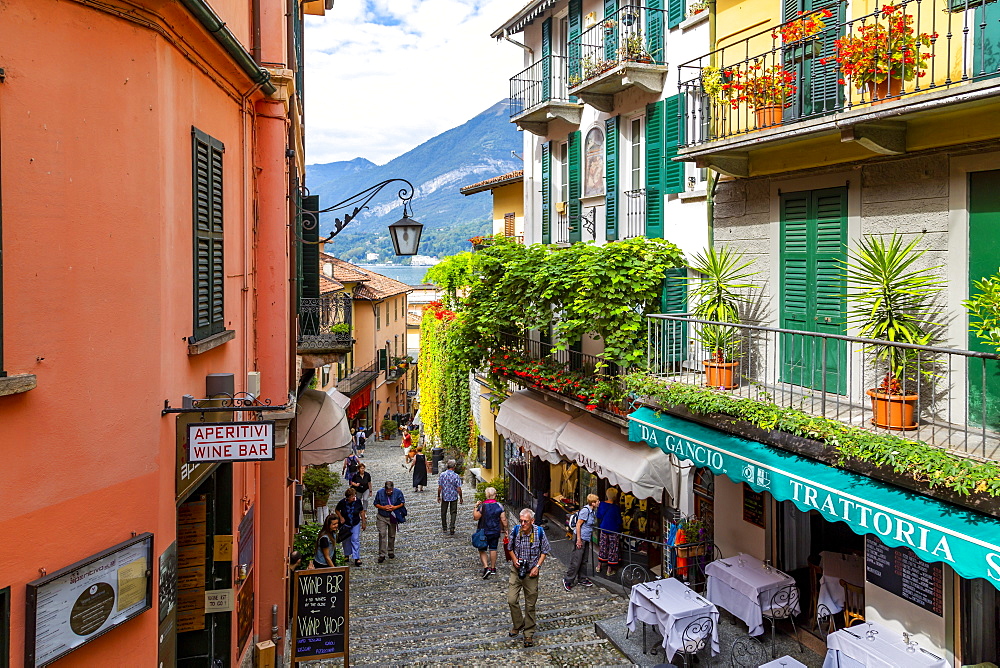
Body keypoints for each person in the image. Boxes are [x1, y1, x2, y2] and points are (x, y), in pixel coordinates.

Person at [507, 508, 550, 648]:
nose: (523, 523)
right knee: (512, 599)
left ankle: (528, 634)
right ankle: (518, 624)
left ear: (532, 521)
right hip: (517, 570)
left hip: (531, 572)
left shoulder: (539, 533)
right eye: (521, 521)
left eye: (525, 521)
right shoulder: (516, 530)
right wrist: (514, 560)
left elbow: (545, 551)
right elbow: (509, 547)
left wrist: (537, 566)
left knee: (530, 604)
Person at [563, 493, 599, 590]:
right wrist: (578, 540)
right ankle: (568, 579)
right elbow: (578, 525)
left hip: (586, 537)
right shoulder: (585, 511)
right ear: (593, 503)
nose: (599, 502)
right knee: (576, 559)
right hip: (581, 537)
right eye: (597, 501)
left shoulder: (592, 511)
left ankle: (582, 578)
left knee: (584, 559)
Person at [473, 487, 508, 578]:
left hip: (484, 531)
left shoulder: (483, 506)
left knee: (482, 549)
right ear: (495, 495)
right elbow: (503, 519)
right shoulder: (499, 505)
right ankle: (493, 568)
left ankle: (486, 567)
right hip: (495, 530)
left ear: (486, 495)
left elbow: (476, 517)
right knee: (493, 548)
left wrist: (475, 507)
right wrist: (506, 529)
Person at [373, 480, 406, 563]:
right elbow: (375, 503)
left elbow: (402, 502)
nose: (389, 492)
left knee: (392, 535)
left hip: (392, 516)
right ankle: (382, 554)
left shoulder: (398, 492)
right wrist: (383, 507)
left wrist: (394, 507)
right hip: (382, 516)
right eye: (387, 491)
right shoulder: (379, 493)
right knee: (382, 534)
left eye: (390, 490)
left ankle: (391, 551)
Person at [335, 487, 367, 567]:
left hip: (355, 523)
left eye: (354, 495)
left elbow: (361, 511)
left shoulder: (358, 502)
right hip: (346, 524)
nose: (354, 497)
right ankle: (347, 555)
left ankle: (356, 557)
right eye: (352, 496)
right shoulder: (342, 502)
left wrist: (363, 522)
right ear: (348, 497)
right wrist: (341, 517)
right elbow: (337, 510)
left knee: (355, 539)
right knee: (346, 540)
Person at [596, 488, 623, 576]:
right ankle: (609, 569)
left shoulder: (602, 504)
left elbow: (599, 515)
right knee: (613, 548)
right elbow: (619, 521)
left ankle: (599, 566)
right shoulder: (616, 508)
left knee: (603, 547)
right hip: (613, 530)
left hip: (604, 528)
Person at [437, 459, 463, 535]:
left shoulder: (442, 475)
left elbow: (440, 487)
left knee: (443, 512)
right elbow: (459, 488)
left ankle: (444, 527)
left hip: (445, 495)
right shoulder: (456, 476)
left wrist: (438, 496)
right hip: (454, 496)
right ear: (454, 466)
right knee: (453, 512)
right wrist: (461, 497)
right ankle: (452, 527)